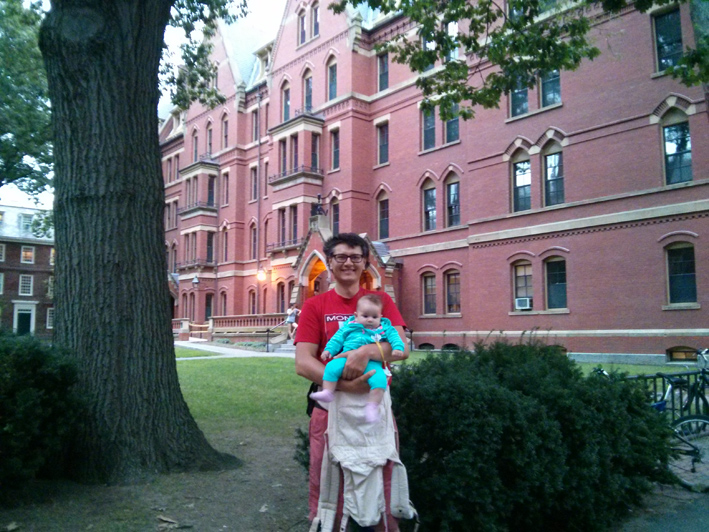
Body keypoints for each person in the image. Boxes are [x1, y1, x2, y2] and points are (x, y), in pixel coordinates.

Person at [295, 233, 409, 531]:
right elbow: (303, 362)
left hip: (375, 408)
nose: (349, 263)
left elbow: (402, 349)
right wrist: (345, 386)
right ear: (329, 262)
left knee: (382, 483)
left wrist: (365, 352)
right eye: (341, 257)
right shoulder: (315, 306)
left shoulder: (381, 301)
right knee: (329, 487)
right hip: (330, 411)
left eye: (356, 257)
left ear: (365, 263)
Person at [310, 294, 405, 423]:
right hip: (346, 358)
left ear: (381, 317)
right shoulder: (349, 327)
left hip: (373, 363)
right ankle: (328, 392)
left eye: (374, 317)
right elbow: (337, 339)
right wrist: (328, 350)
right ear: (356, 316)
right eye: (365, 316)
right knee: (331, 367)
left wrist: (397, 348)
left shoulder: (384, 328)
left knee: (380, 380)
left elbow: (395, 337)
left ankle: (372, 406)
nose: (370, 320)